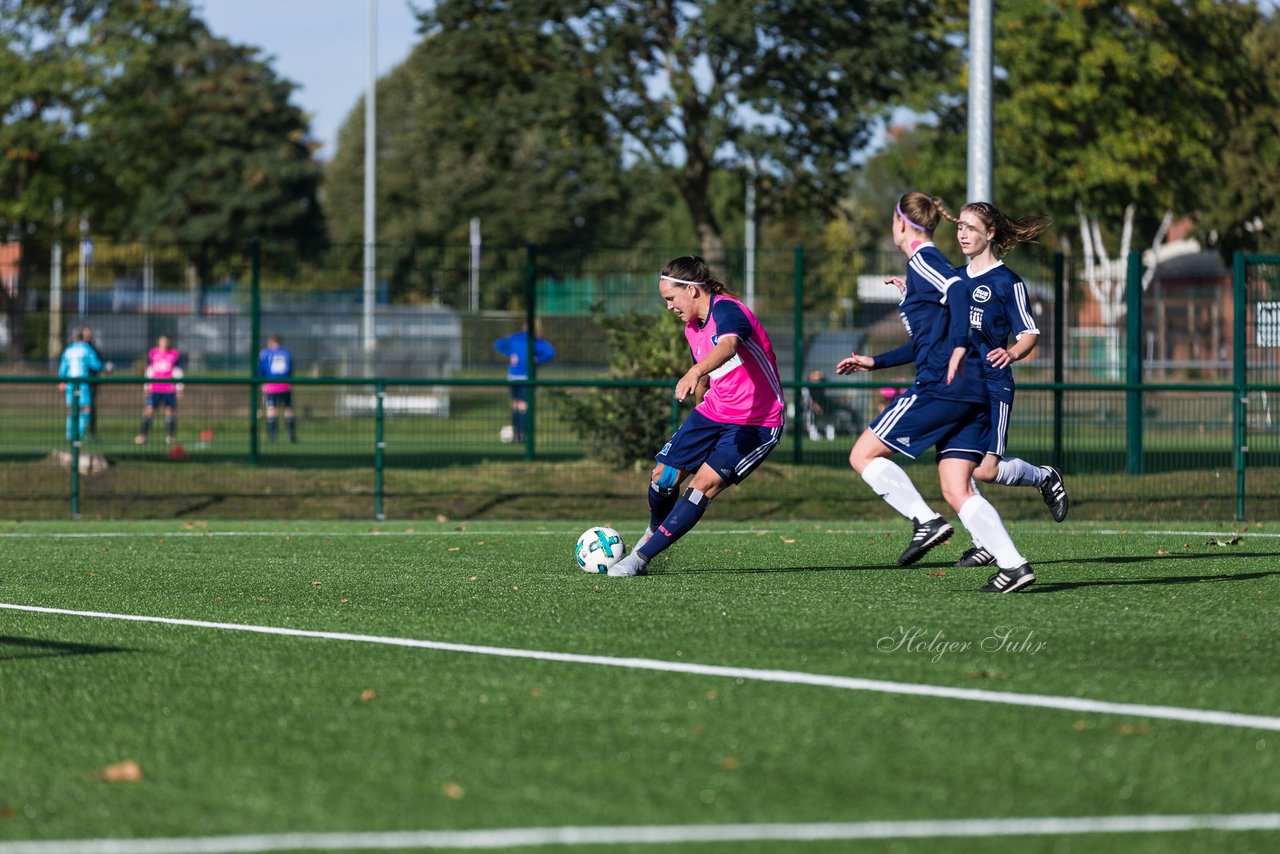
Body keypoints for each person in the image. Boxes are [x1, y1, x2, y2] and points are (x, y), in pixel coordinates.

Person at [837, 191, 1035, 593]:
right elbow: (929, 339)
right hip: (972, 389)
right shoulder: (924, 271)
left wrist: (961, 344)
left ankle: (925, 521)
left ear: (900, 223)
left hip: (943, 387)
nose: (961, 234)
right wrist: (876, 361)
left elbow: (958, 297)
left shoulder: (926, 260)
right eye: (959, 226)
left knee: (861, 454)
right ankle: (1014, 566)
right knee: (956, 485)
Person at [608, 255, 784, 578]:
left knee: (702, 486)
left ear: (691, 291)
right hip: (713, 412)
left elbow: (728, 346)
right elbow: (708, 373)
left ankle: (640, 559)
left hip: (757, 422)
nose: (669, 307)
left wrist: (694, 371)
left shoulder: (728, 310)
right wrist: (700, 388)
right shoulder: (691, 328)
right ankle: (653, 531)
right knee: (663, 476)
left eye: (670, 298)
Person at [942, 200, 1068, 569]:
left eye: (969, 227)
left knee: (984, 470)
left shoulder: (1006, 282)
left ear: (990, 233)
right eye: (959, 227)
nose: (962, 233)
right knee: (957, 466)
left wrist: (1011, 354)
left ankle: (1044, 477)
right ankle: (983, 542)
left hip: (993, 385)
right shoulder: (955, 278)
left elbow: (1030, 333)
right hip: (960, 388)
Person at [493, 321, 555, 442]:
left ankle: (518, 434)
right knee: (522, 406)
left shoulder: (517, 338)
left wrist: (510, 354)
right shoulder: (533, 340)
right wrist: (537, 360)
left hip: (514, 377)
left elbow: (498, 344)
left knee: (516, 405)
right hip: (525, 377)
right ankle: (521, 434)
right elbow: (550, 352)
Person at [135, 334, 183, 445]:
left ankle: (170, 436)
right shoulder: (153, 353)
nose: (164, 343)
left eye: (166, 341)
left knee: (169, 412)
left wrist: (179, 388)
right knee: (149, 410)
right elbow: (149, 370)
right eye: (162, 341)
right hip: (155, 388)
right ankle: (143, 435)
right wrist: (146, 385)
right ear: (159, 342)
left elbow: (178, 371)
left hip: (169, 388)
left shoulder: (174, 354)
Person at [58, 327, 103, 442]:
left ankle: (70, 434)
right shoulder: (86, 349)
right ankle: (79, 433)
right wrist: (105, 367)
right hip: (82, 384)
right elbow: (95, 365)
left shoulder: (68, 350)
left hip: (70, 384)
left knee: (72, 409)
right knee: (85, 409)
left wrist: (61, 381)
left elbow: (63, 368)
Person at [259, 333, 297, 443]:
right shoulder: (287, 353)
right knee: (288, 409)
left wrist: (262, 382)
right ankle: (291, 434)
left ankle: (272, 436)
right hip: (285, 385)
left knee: (271, 410)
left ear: (271, 342)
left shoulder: (266, 353)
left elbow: (262, 369)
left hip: (271, 386)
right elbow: (290, 369)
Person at [801, 369, 834, 441]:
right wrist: (814, 406)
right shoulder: (806, 387)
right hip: (808, 407)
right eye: (815, 375)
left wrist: (821, 407)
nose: (817, 376)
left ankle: (830, 434)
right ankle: (813, 434)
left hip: (822, 405)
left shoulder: (822, 383)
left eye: (818, 375)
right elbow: (807, 400)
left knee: (828, 414)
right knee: (810, 416)